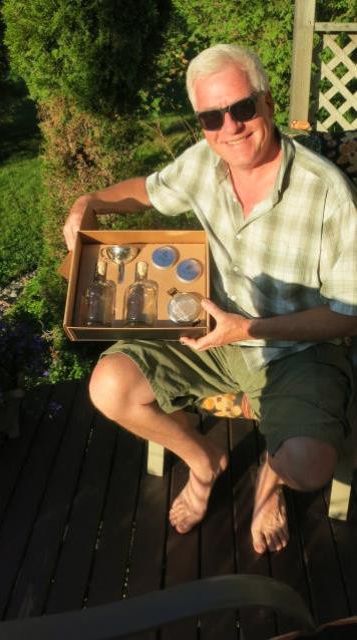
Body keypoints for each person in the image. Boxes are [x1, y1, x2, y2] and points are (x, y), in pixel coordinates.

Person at [63, 44, 357, 554]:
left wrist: (248, 330)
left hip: (295, 351)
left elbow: (347, 316)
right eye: (211, 117)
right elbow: (148, 189)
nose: (230, 127)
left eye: (243, 108)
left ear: (267, 103)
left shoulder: (329, 192)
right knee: (110, 387)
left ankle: (270, 478)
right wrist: (90, 201)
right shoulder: (204, 162)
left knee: (309, 466)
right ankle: (203, 461)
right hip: (209, 332)